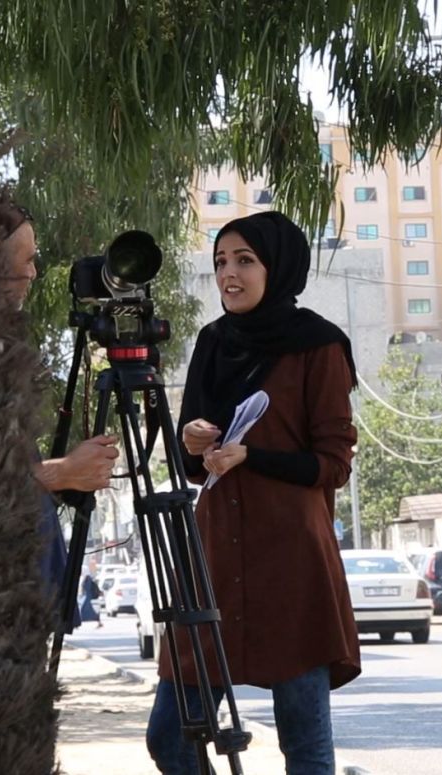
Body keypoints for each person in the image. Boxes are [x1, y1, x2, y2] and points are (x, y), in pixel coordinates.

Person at [146, 211, 361, 775]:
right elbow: (193, 465)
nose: (229, 274)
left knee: (304, 748)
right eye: (221, 261)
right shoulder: (213, 342)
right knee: (170, 737)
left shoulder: (319, 345)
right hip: (214, 557)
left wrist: (252, 456)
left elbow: (334, 464)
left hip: (292, 566)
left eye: (244, 260)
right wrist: (192, 439)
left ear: (277, 267)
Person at [0, 206, 120, 628]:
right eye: (27, 260)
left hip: (26, 583)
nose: (33, 273)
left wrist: (67, 476)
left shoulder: (2, 349)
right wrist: (62, 473)